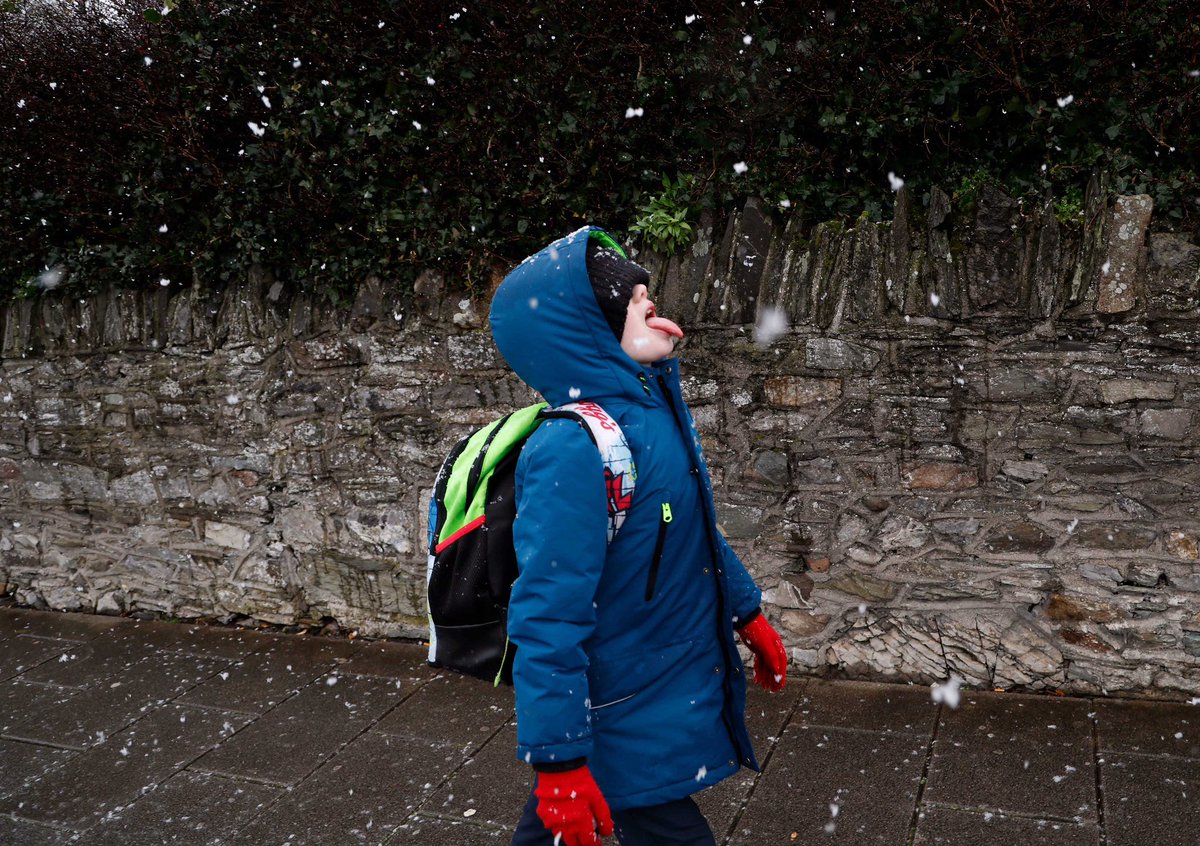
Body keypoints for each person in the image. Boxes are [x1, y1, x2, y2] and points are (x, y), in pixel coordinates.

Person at [488, 226, 788, 846]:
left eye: (647, 293)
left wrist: (747, 612)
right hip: (619, 704)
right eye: (632, 301)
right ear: (588, 330)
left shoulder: (652, 413)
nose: (650, 304)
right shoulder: (574, 447)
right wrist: (558, 764)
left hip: (651, 689)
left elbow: (687, 531)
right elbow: (547, 615)